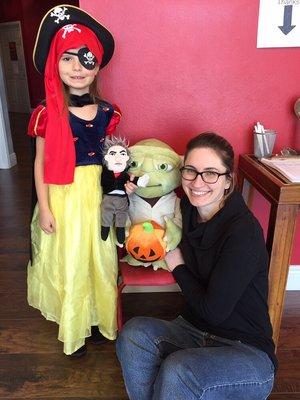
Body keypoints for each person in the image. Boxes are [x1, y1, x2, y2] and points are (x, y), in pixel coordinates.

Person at [116, 132, 277, 399]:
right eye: (191, 171)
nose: (198, 182)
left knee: (179, 370)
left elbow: (214, 312)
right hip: (193, 330)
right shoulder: (186, 211)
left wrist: (178, 266)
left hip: (247, 351)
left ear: (228, 181)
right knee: (133, 335)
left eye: (211, 173)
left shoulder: (243, 231)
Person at [27, 4, 125, 357]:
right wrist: (46, 208)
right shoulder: (46, 114)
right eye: (67, 58)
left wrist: (121, 186)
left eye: (85, 59)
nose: (77, 68)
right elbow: (40, 164)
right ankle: (74, 328)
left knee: (98, 257)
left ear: (97, 64)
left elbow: (113, 159)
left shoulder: (108, 113)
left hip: (95, 195)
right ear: (55, 64)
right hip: (63, 194)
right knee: (70, 258)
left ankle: (97, 318)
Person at [100, 136, 149, 245]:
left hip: (122, 199)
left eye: (122, 154)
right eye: (113, 154)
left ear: (127, 158)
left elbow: (133, 180)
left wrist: (139, 181)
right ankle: (105, 230)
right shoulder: (104, 173)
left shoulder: (126, 175)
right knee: (106, 214)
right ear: (107, 158)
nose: (118, 158)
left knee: (121, 216)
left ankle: (120, 233)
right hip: (108, 198)